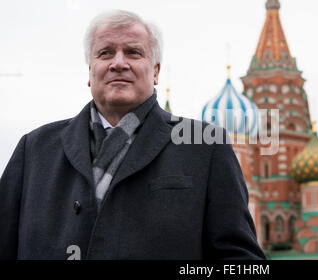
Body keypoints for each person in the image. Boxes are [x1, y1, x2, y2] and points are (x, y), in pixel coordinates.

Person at [0, 10, 266, 260]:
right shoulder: (35, 149)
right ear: (90, 72)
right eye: (105, 53)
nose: (118, 63)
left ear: (156, 72)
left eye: (133, 52)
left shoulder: (204, 145)